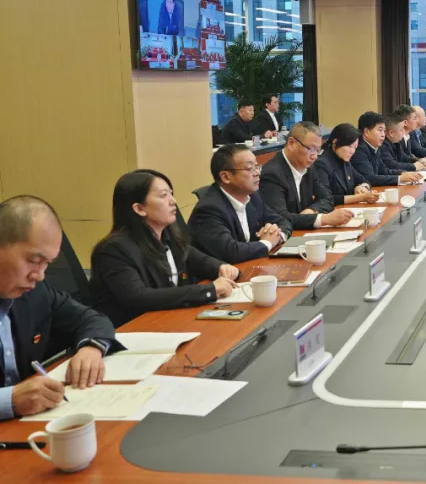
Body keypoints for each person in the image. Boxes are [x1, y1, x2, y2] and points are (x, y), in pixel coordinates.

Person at [0, 196, 119, 420]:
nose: (39, 275)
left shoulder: (36, 292)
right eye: (34, 260)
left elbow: (92, 319)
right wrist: (9, 400)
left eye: (47, 263)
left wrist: (91, 348)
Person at [89, 170, 240, 327]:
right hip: (132, 330)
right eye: (163, 195)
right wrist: (209, 290)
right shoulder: (113, 250)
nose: (173, 201)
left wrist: (222, 268)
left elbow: (201, 261)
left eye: (171, 194)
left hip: (170, 321)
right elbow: (138, 297)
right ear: (139, 208)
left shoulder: (168, 236)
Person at [188, 144, 293, 263]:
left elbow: (283, 221)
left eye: (257, 166)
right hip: (222, 272)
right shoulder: (208, 209)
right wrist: (267, 243)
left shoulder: (253, 196)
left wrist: (277, 235)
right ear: (226, 177)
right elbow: (232, 252)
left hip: (250, 265)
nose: (257, 173)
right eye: (249, 168)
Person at [259, 122, 353, 230]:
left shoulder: (308, 167)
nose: (315, 156)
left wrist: (312, 210)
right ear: (291, 143)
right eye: (311, 149)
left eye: (318, 150)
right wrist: (323, 219)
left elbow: (327, 198)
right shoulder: (272, 174)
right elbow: (280, 218)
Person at [312, 124, 380, 205]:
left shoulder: (345, 161)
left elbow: (364, 180)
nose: (352, 151)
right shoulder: (322, 164)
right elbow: (325, 198)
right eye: (350, 146)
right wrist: (361, 197)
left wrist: (362, 187)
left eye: (355, 147)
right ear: (335, 142)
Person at [351, 112, 424, 187]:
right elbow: (369, 178)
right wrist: (400, 178)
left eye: (384, 130)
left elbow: (383, 170)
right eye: (380, 130)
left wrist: (403, 173)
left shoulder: (374, 145)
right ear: (366, 132)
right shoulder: (359, 150)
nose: (383, 134)